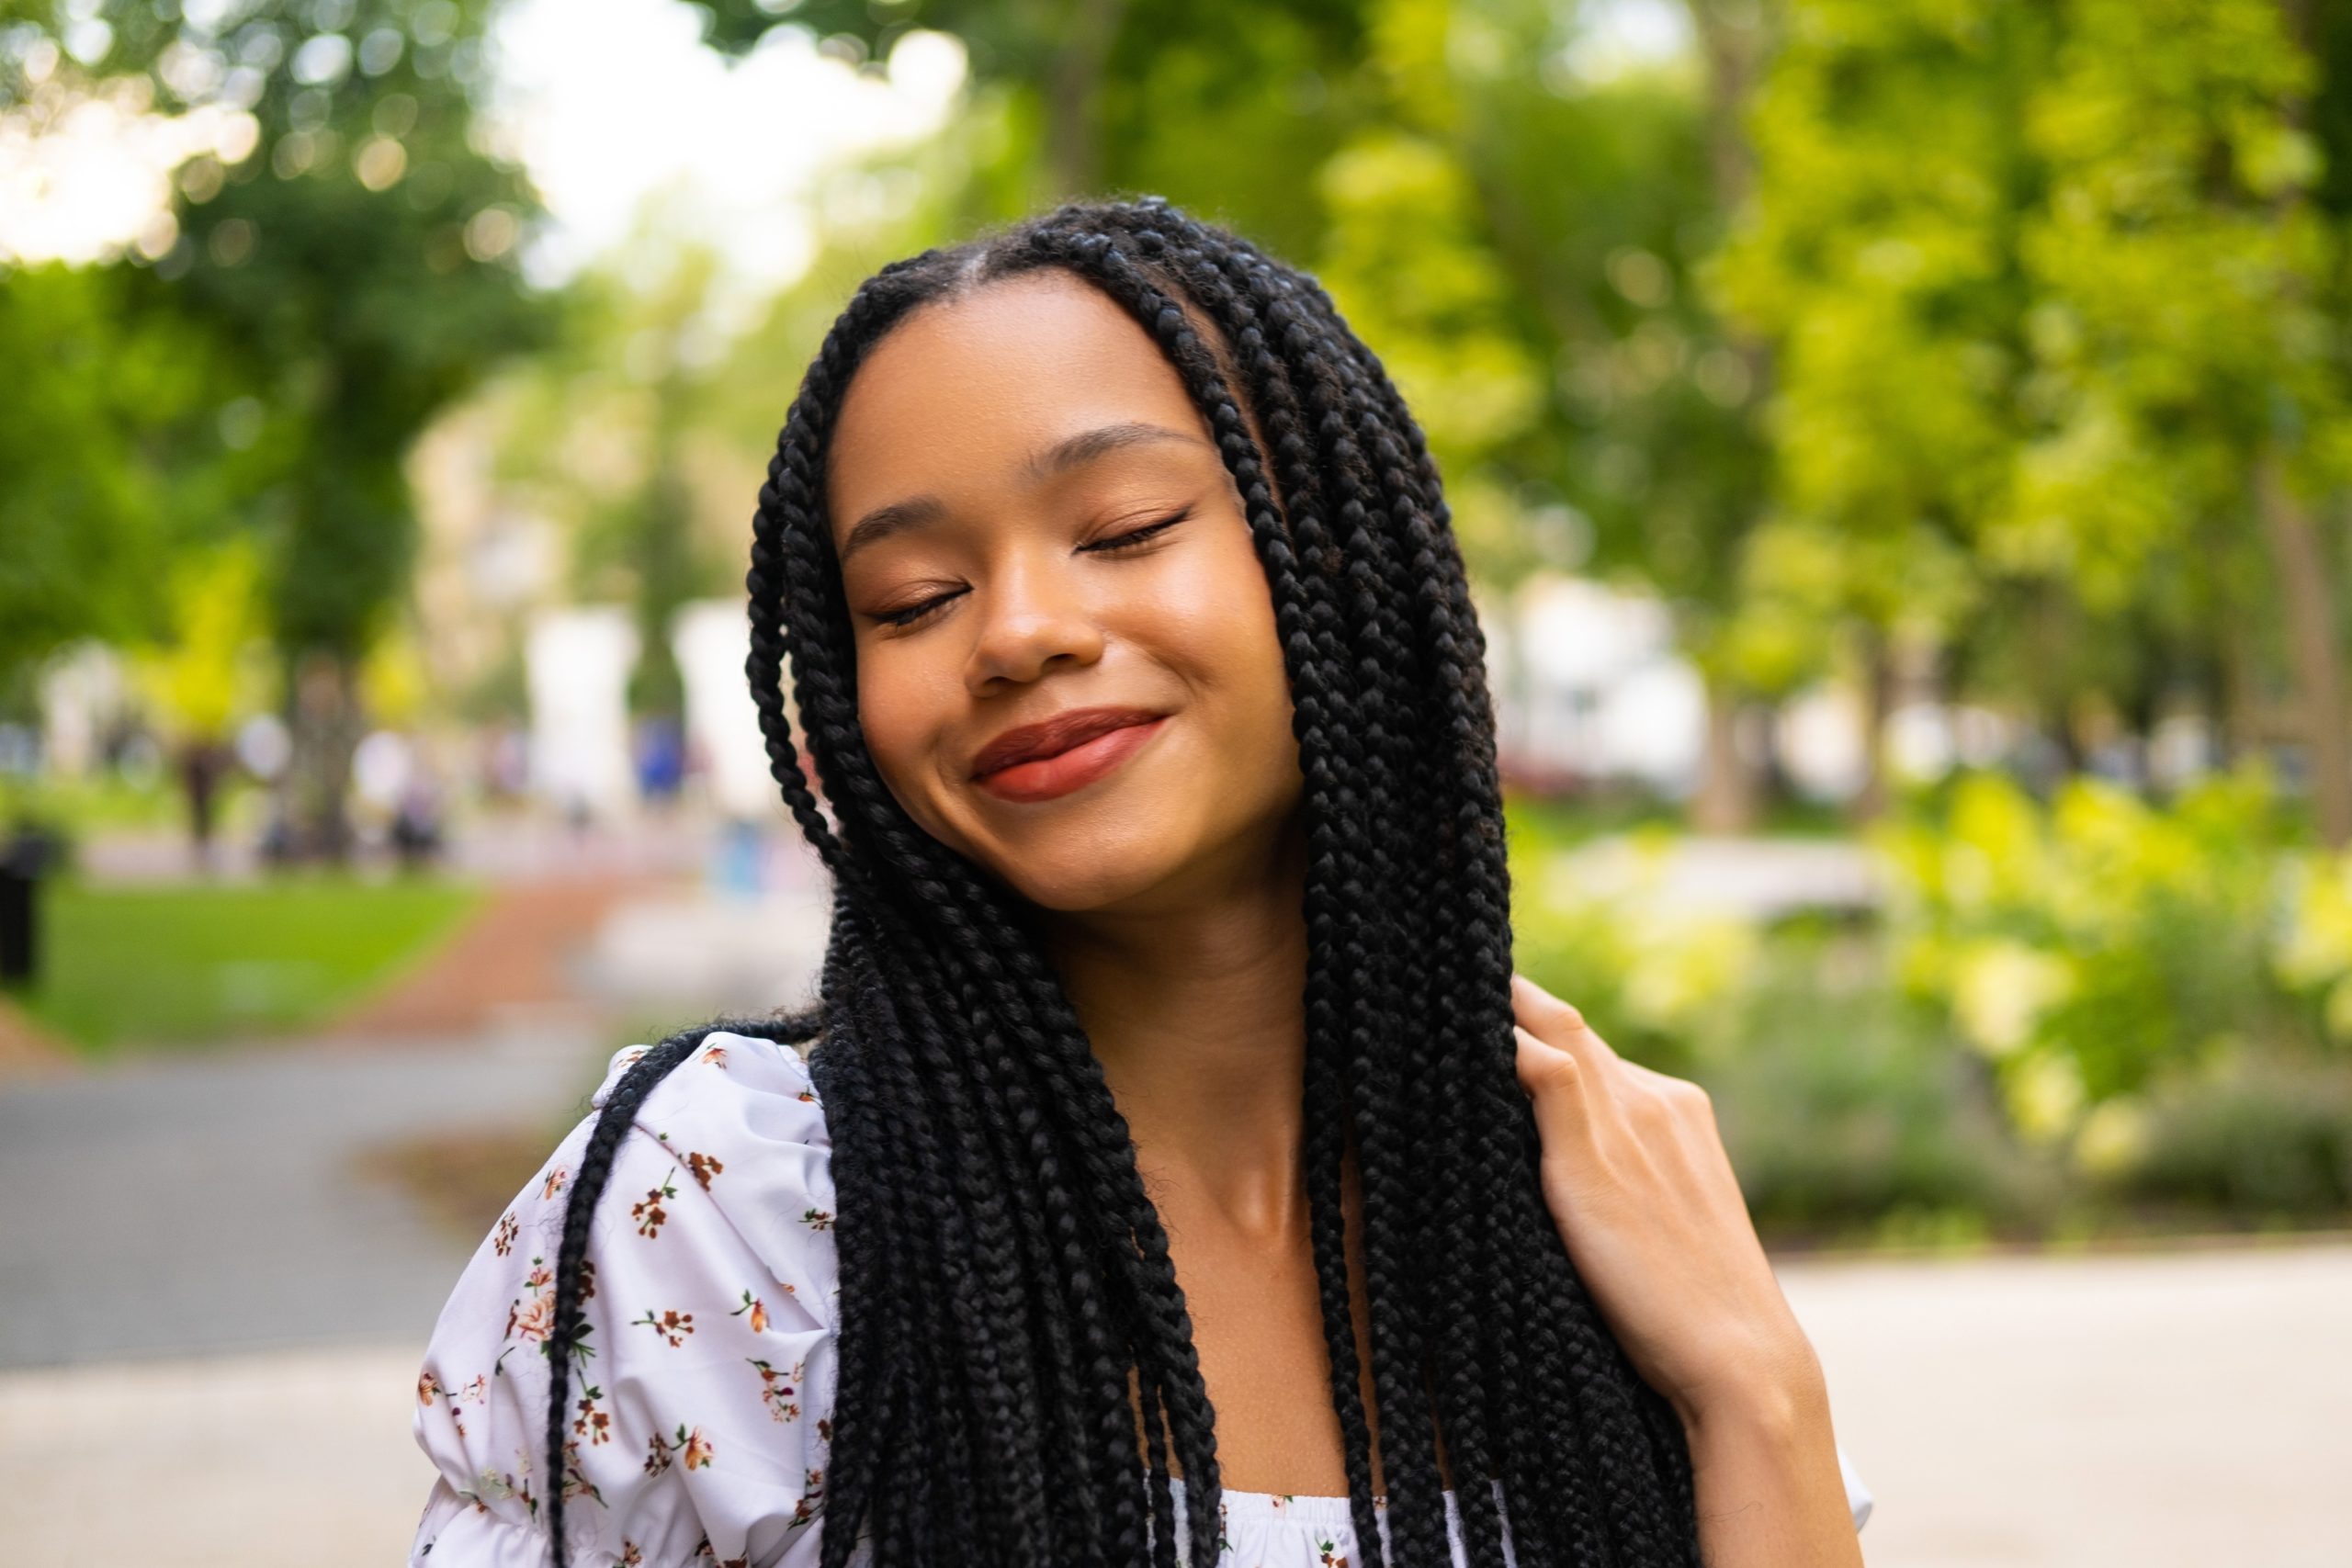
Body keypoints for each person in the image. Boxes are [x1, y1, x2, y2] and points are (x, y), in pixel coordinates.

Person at [409, 197, 1873, 1568]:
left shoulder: (1592, 1212)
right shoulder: (734, 1215)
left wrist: (1757, 1393)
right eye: (914, 601)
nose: (1018, 633)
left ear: (1340, 560)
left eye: (1123, 530)